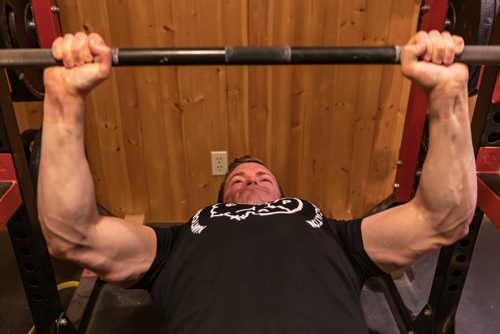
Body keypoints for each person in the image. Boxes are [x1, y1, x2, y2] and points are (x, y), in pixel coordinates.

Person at [38, 30, 476, 333]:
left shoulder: (332, 232)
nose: (250, 179)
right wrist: (63, 100)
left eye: (262, 175)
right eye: (238, 178)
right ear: (218, 203)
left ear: (286, 197)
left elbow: (441, 218)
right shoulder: (179, 241)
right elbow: (73, 236)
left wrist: (447, 95)